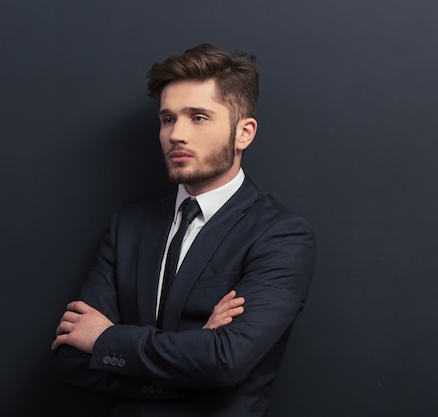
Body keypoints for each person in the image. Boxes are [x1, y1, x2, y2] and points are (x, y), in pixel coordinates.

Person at [51, 43, 315, 417]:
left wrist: (107, 341)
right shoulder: (128, 226)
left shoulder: (280, 235)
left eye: (199, 117)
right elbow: (72, 360)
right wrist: (196, 353)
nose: (176, 134)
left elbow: (225, 362)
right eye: (167, 119)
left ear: (244, 133)